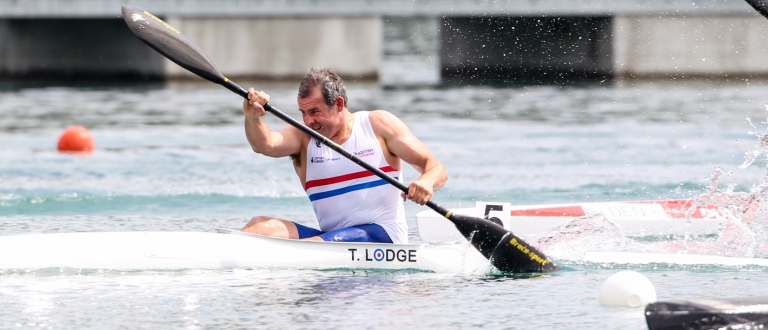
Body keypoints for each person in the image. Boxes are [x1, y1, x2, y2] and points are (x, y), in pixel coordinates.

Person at [240, 68, 447, 244]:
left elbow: (436, 168)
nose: (308, 121)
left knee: (314, 246)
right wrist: (252, 118)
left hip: (383, 236)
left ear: (338, 104)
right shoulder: (303, 137)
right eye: (303, 113)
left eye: (315, 111)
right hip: (330, 240)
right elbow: (265, 144)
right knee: (259, 227)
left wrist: (426, 182)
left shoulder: (376, 125)